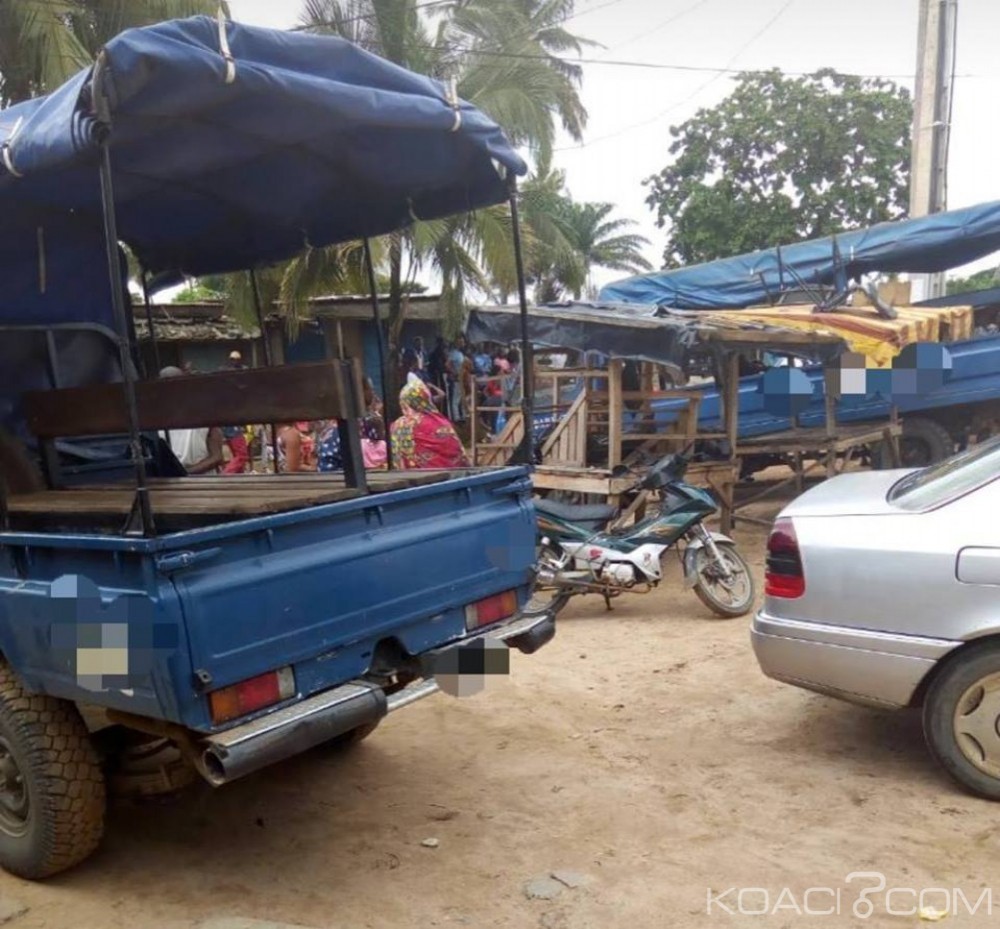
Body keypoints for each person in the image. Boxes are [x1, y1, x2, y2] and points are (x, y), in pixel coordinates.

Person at [158, 366, 225, 474]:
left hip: (203, 481)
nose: (171, 389)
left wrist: (186, 473)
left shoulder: (203, 413)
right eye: (165, 385)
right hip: (171, 481)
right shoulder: (156, 418)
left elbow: (217, 457)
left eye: (175, 384)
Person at [390, 379, 470, 469]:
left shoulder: (396, 425)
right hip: (447, 477)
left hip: (406, 478)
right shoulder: (439, 422)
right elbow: (456, 454)